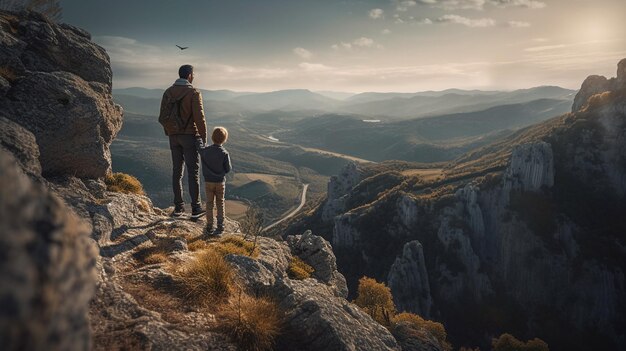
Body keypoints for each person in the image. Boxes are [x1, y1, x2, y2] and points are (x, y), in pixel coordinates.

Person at [160, 64, 207, 219]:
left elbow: (162, 117)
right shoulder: (193, 93)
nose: (193, 77)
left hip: (173, 136)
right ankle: (196, 208)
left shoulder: (168, 92)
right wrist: (203, 138)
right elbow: (199, 118)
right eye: (193, 75)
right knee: (193, 173)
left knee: (177, 172)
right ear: (189, 76)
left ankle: (179, 207)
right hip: (190, 136)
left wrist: (170, 131)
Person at [199, 127, 232, 235]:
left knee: (209, 203)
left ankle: (209, 226)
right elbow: (228, 169)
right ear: (224, 139)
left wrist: (198, 137)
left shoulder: (205, 151)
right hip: (220, 182)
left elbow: (199, 147)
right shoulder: (224, 153)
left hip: (208, 182)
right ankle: (220, 226)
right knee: (220, 203)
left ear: (212, 137)